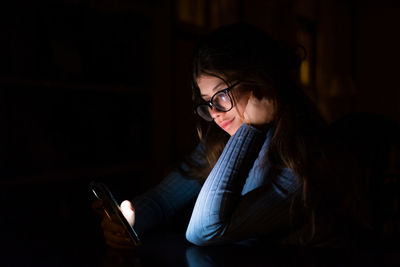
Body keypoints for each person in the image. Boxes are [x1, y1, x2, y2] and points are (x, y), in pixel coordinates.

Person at [95, 23, 366, 249]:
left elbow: (203, 230)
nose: (214, 113)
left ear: (261, 83)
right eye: (206, 101)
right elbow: (163, 200)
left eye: (222, 95)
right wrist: (126, 223)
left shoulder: (302, 159)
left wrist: (253, 128)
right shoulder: (220, 140)